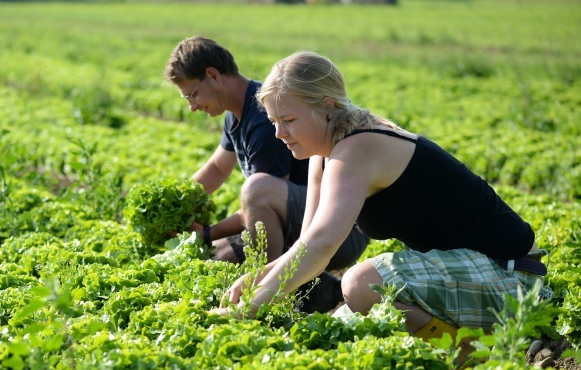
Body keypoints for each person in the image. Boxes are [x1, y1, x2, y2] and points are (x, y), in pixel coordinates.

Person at [214, 51, 547, 341]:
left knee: (362, 284)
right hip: (471, 270)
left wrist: (255, 306)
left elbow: (321, 247)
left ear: (327, 107)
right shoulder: (323, 153)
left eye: (288, 120)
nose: (278, 133)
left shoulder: (357, 148)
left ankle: (468, 351)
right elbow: (309, 246)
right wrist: (256, 279)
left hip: (512, 276)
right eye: (273, 121)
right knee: (340, 328)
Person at [164, 38, 369, 313]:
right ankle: (319, 290)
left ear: (213, 75)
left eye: (192, 95)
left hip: (336, 230)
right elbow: (215, 169)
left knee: (255, 191)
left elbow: (260, 199)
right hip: (300, 226)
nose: (192, 106)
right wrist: (175, 205)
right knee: (217, 256)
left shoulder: (265, 118)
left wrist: (206, 232)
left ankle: (269, 299)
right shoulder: (234, 115)